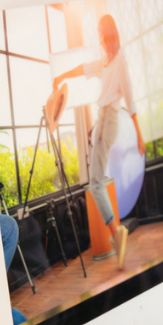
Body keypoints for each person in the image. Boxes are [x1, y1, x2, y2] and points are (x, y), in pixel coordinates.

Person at [50, 14, 145, 270]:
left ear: (110, 34)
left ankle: (117, 233)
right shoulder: (105, 62)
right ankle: (116, 233)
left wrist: (139, 135)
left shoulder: (120, 61)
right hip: (104, 120)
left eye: (102, 34)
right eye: (98, 34)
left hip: (109, 121)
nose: (100, 38)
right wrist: (61, 77)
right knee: (96, 183)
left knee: (95, 183)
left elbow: (131, 98)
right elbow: (83, 69)